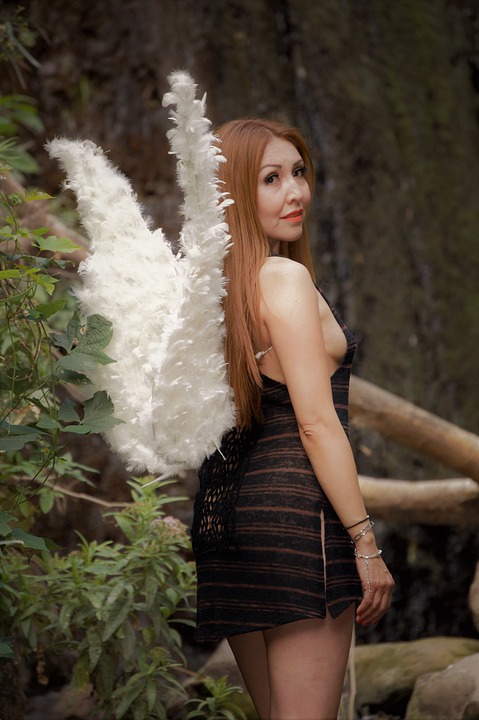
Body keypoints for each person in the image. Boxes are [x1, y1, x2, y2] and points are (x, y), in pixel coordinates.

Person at [190, 118, 394, 720]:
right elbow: (316, 423)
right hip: (297, 520)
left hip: (227, 521)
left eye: (298, 173)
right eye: (271, 179)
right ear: (231, 193)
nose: (295, 192)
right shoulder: (283, 278)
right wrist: (365, 543)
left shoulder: (212, 291)